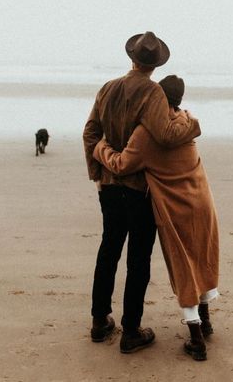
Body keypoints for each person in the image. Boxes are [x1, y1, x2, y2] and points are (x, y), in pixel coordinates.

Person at [83, 32, 200, 354]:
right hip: (139, 188)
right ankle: (131, 330)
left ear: (131, 58)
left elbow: (91, 132)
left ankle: (99, 321)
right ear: (155, 63)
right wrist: (191, 124)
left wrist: (97, 174)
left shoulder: (108, 87)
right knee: (138, 259)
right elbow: (163, 135)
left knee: (108, 250)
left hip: (108, 184)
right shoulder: (152, 92)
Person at [94, 74, 219, 362]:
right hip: (201, 200)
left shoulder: (148, 133)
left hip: (174, 208)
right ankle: (206, 318)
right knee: (201, 257)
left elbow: (122, 164)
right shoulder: (187, 121)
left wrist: (101, 148)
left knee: (182, 265)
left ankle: (197, 338)